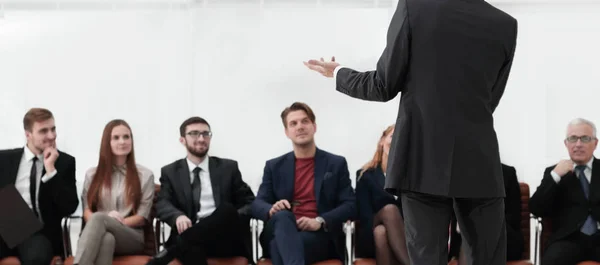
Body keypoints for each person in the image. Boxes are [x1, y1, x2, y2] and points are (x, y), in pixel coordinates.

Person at [303, 0, 518, 264]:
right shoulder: (506, 25)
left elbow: (383, 85)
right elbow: (489, 101)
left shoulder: (413, 7)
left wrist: (338, 73)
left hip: (422, 158)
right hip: (479, 161)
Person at [251, 102, 356, 265]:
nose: (300, 127)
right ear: (287, 132)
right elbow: (257, 204)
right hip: (281, 228)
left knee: (278, 247)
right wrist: (271, 209)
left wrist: (320, 221)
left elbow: (350, 205)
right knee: (283, 216)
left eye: (305, 121)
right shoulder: (274, 166)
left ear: (314, 127)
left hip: (318, 235)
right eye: (293, 123)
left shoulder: (335, 164)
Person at [148, 116, 256, 265]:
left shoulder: (228, 168)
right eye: (194, 133)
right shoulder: (171, 172)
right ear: (182, 140)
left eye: (206, 134)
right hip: (192, 237)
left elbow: (250, 203)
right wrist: (177, 216)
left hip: (224, 238)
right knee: (191, 248)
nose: (201, 138)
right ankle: (181, 244)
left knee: (226, 210)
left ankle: (173, 250)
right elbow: (163, 203)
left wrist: (231, 219)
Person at [0, 108, 79, 265]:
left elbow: (70, 207)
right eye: (44, 131)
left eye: (53, 129)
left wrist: (51, 171)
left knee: (36, 257)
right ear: (28, 134)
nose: (51, 135)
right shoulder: (4, 159)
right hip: (5, 227)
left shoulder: (64, 162)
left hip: (40, 234)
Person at [73, 119, 155, 265]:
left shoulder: (145, 175)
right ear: (107, 142)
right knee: (107, 240)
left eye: (126, 137)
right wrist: (104, 221)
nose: (122, 141)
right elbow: (86, 210)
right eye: (116, 138)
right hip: (100, 232)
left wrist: (113, 221)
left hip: (131, 235)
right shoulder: (92, 175)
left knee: (99, 218)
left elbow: (142, 217)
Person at [529, 118, 600, 265]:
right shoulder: (554, 172)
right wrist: (555, 176)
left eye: (585, 138)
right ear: (566, 143)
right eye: (573, 138)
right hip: (568, 240)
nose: (578, 144)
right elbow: (536, 208)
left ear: (595, 143)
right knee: (552, 261)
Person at [355, 124, 410, 265]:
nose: (397, 140)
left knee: (381, 232)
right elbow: (365, 216)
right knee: (389, 210)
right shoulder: (365, 175)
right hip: (369, 235)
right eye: (393, 136)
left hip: (403, 236)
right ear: (382, 140)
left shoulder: (411, 177)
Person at [448, 163, 524, 264]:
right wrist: (454, 255)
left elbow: (514, 218)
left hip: (502, 238)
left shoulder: (506, 173)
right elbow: (455, 221)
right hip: (466, 241)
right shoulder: (458, 174)